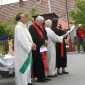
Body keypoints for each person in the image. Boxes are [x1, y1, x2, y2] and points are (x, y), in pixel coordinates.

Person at [14, 13, 36, 85]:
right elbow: (22, 40)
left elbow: (29, 38)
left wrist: (32, 44)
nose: (24, 18)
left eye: (24, 17)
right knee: (23, 66)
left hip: (26, 50)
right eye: (23, 17)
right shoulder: (18, 27)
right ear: (19, 19)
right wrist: (30, 46)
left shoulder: (24, 27)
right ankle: (22, 83)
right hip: (22, 51)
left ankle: (27, 81)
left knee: (28, 67)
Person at [29, 16, 50, 82]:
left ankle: (43, 76)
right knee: (39, 63)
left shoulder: (40, 27)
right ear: (37, 21)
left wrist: (46, 40)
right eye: (41, 23)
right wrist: (43, 42)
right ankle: (40, 77)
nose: (41, 24)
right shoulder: (32, 27)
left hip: (42, 47)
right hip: (37, 48)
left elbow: (45, 34)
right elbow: (35, 37)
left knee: (43, 62)